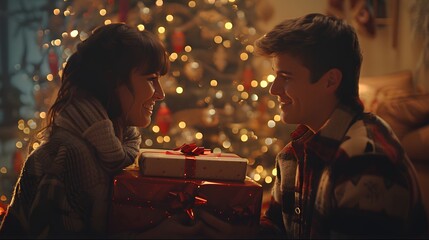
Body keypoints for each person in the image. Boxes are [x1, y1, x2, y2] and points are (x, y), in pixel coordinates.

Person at [198, 13, 429, 239]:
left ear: (330, 80)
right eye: (275, 76)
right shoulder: (294, 153)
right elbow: (279, 228)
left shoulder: (364, 159)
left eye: (286, 77)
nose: (273, 90)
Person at [0, 23, 175, 239]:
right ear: (112, 82)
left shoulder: (117, 150)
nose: (160, 94)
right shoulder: (65, 156)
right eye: (151, 79)